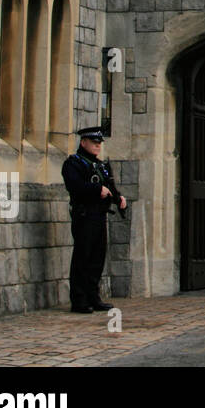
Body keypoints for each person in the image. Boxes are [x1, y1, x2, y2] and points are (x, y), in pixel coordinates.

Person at [61, 125, 125, 314]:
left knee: (97, 258)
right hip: (84, 215)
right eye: (94, 143)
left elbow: (109, 186)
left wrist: (118, 198)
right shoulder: (74, 163)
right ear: (84, 142)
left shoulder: (101, 165)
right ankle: (79, 299)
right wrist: (96, 190)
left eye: (99, 143)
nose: (98, 146)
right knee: (83, 257)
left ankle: (92, 296)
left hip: (99, 215)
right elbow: (75, 186)